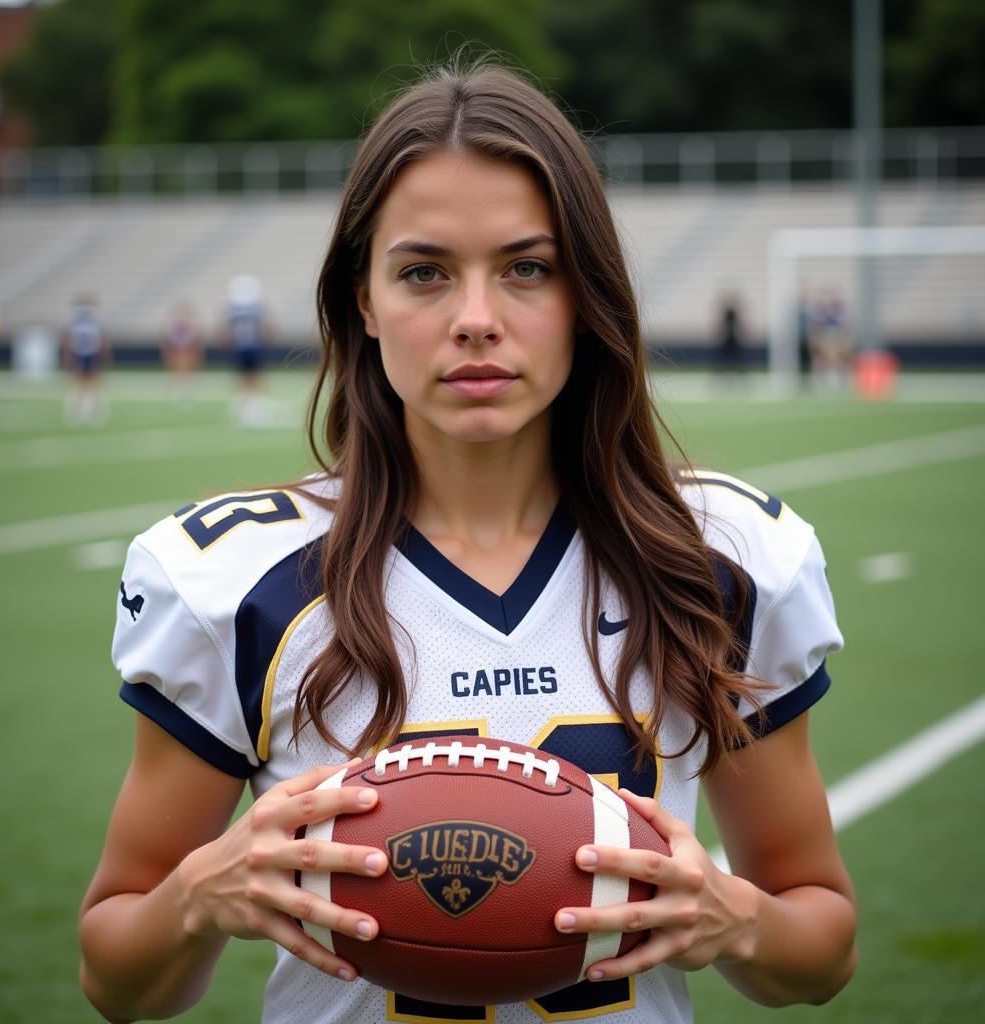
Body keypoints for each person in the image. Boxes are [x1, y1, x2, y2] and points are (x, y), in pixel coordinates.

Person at [79, 62, 856, 1024]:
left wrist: (734, 918)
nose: (477, 321)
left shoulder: (719, 561)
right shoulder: (238, 584)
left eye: (527, 268)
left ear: (586, 295)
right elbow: (116, 976)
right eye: (423, 273)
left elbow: (820, 948)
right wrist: (201, 894)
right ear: (361, 302)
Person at [222, 273, 273, 425]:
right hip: (252, 346)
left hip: (240, 346)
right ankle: (250, 404)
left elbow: (226, 330)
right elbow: (265, 327)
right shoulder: (256, 309)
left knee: (244, 376)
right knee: (252, 376)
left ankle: (244, 403)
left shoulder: (233, 309)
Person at [62, 294, 110, 424]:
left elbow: (101, 337)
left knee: (90, 383)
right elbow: (68, 338)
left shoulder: (84, 319)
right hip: (83, 353)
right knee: (84, 383)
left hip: (88, 353)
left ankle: (89, 410)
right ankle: (81, 410)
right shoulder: (81, 319)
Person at [162, 301, 205, 402]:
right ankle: (178, 387)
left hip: (186, 349)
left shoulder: (190, 325)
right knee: (178, 366)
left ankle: (187, 387)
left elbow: (195, 338)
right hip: (179, 349)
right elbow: (170, 338)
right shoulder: (176, 326)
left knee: (188, 367)